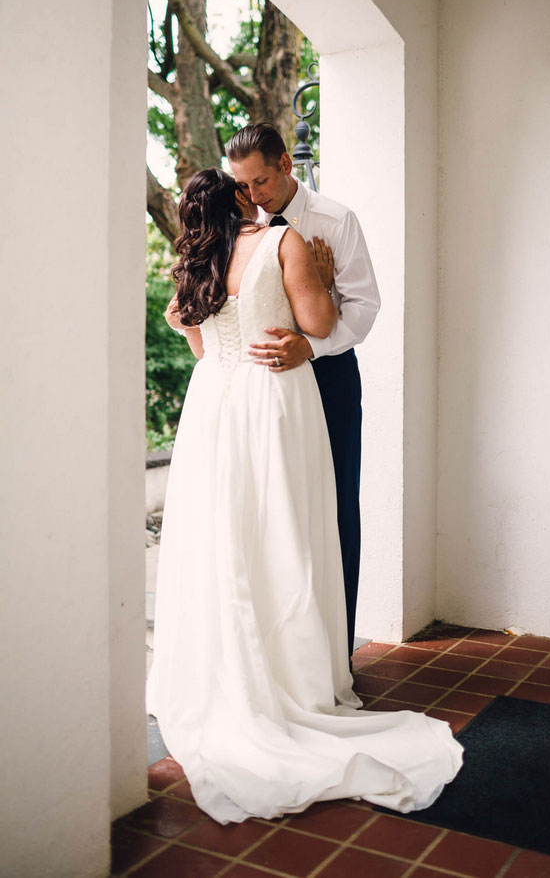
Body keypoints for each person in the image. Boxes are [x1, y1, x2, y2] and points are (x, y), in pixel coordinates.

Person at [146, 167, 462, 824]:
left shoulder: (193, 266)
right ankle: (292, 678)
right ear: (239, 199)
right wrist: (318, 275)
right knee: (283, 534)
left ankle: (229, 674)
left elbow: (202, 348)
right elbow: (317, 325)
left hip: (214, 411)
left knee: (225, 542)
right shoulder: (283, 240)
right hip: (274, 403)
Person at [225, 123, 378, 659]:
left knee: (335, 507)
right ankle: (281, 653)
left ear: (287, 165)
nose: (252, 196)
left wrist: (311, 346)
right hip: (267, 386)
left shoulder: (335, 221)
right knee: (275, 510)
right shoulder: (243, 229)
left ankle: (335, 652)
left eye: (260, 182)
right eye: (242, 185)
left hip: (328, 378)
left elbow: (364, 307)